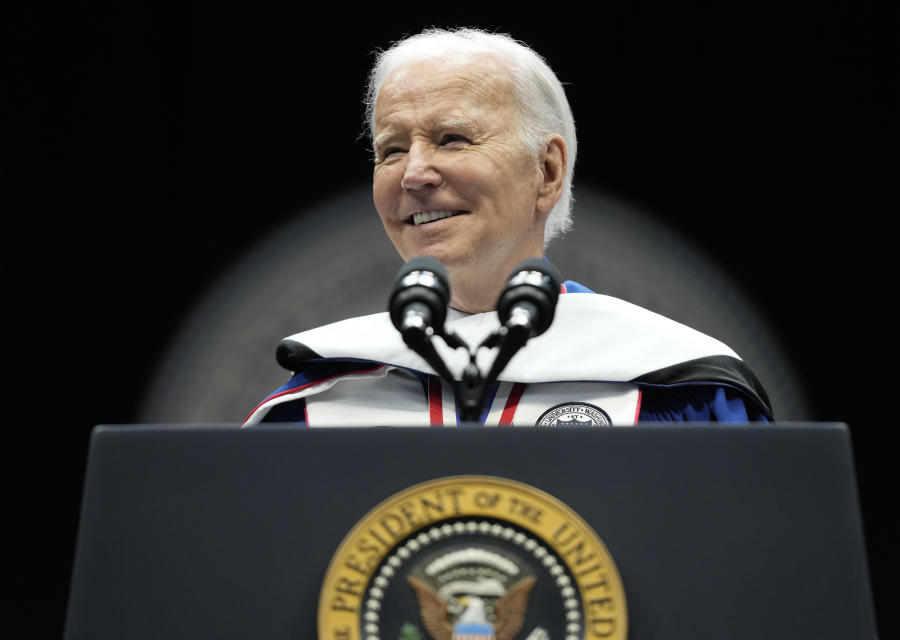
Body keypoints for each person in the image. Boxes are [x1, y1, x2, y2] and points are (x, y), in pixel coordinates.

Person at [243, 27, 772, 427]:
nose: (415, 173)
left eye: (452, 138)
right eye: (392, 149)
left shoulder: (683, 392)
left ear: (547, 172)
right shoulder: (314, 406)